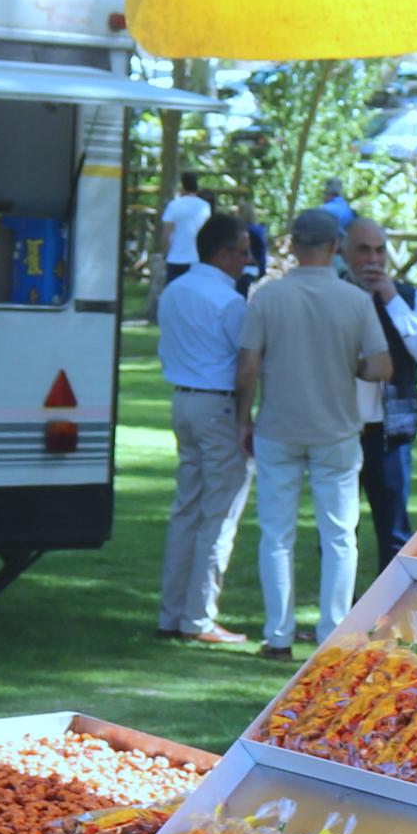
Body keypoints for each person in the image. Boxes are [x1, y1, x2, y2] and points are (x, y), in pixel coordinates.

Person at [238, 204, 394, 658]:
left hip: (279, 425)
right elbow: (381, 365)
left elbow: (247, 367)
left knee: (276, 533)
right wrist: (353, 365)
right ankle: (332, 632)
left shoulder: (267, 296)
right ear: (336, 247)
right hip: (337, 430)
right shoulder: (355, 300)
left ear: (293, 243)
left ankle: (278, 633)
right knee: (340, 535)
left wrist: (242, 417)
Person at [152, 211, 254, 646]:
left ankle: (172, 612)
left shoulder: (176, 290)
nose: (247, 261)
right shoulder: (230, 302)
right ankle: (199, 617)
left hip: (183, 399)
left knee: (187, 510)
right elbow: (247, 362)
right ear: (224, 253)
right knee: (219, 513)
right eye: (243, 252)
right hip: (217, 405)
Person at [346, 214, 417, 560]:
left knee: (394, 531)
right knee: (340, 531)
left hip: (389, 431)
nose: (372, 260)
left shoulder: (407, 297)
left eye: (379, 251)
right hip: (340, 429)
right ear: (343, 252)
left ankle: (387, 612)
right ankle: (342, 610)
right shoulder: (334, 295)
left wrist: (390, 298)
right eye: (363, 251)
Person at [158, 170, 214, 282]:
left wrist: (165, 254)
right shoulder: (205, 206)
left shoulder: (174, 205)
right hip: (197, 258)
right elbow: (208, 233)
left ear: (182, 186)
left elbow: (166, 234)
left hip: (175, 258)